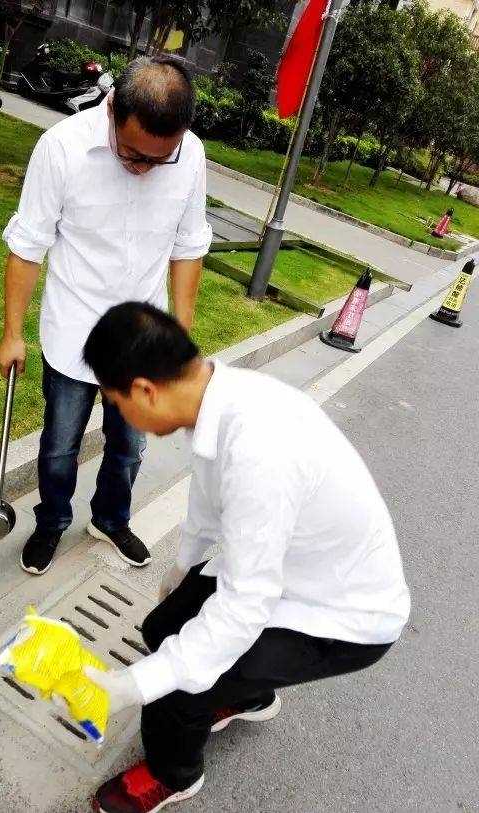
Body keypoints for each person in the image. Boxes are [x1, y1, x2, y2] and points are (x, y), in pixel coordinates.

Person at [78, 302, 411, 813]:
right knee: (163, 627)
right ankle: (250, 694)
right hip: (294, 574)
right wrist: (183, 565)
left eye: (116, 405)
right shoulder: (224, 397)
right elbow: (209, 502)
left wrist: (134, 684)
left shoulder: (261, 449)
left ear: (145, 389)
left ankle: (174, 773)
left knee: (179, 681)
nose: (120, 418)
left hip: (344, 617)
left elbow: (245, 604)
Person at [0, 58, 212, 576]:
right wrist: (12, 333)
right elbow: (28, 246)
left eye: (159, 160)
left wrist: (180, 334)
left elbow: (189, 246)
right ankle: (50, 521)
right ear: (112, 108)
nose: (144, 167)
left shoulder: (190, 156)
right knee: (59, 447)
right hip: (72, 331)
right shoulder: (63, 147)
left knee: (129, 446)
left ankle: (111, 519)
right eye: (134, 153)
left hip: (142, 342)